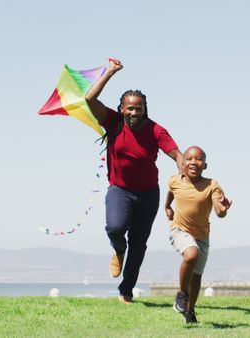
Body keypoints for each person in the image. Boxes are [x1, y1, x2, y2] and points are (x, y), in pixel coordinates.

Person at [85, 58, 183, 304]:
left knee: (138, 244)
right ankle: (118, 249)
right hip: (120, 190)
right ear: (121, 109)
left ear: (144, 109)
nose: (133, 112)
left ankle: (126, 291)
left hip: (148, 194)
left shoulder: (155, 130)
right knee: (115, 228)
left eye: (138, 108)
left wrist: (185, 171)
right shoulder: (113, 122)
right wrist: (110, 72)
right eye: (129, 108)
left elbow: (176, 154)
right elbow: (89, 99)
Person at [165, 146, 232, 324]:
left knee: (196, 276)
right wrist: (166, 207)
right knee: (191, 254)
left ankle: (189, 310)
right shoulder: (174, 181)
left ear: (205, 165)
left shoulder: (212, 185)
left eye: (199, 159)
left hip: (202, 235)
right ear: (182, 164)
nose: (194, 162)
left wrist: (223, 210)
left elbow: (219, 211)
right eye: (189, 158)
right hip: (179, 229)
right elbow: (170, 194)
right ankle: (181, 294)